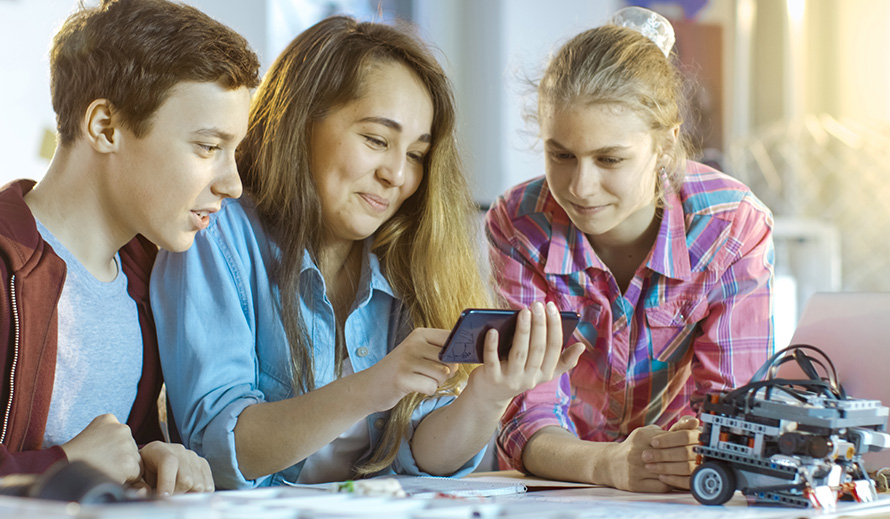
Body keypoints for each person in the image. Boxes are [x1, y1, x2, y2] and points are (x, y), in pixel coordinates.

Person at [150, 15, 583, 490]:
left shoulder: (407, 249)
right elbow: (219, 451)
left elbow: (427, 456)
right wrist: (373, 385)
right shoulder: (217, 231)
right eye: (377, 140)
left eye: (416, 154)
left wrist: (489, 394)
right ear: (301, 122)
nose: (398, 175)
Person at [487, 7, 775, 493]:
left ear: (666, 145)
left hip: (673, 488)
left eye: (610, 159)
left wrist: (682, 454)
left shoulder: (731, 227)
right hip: (554, 490)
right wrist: (610, 465)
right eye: (561, 155)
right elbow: (523, 415)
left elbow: (733, 415)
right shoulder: (519, 226)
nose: (581, 186)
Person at [0, 0, 260, 494]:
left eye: (234, 152)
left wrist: (150, 459)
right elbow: (81, 456)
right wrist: (65, 463)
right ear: (106, 127)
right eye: (208, 147)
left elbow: (112, 452)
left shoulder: (149, 278)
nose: (233, 184)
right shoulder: (6, 263)